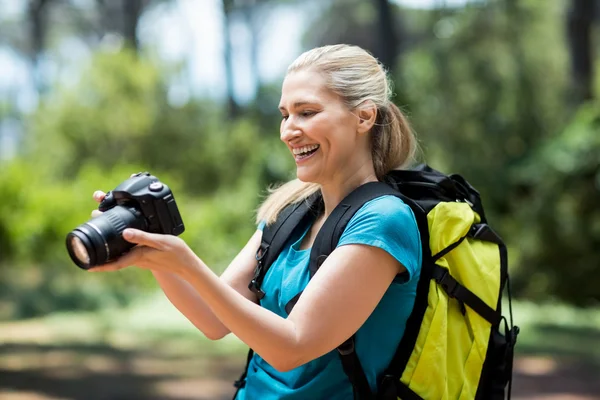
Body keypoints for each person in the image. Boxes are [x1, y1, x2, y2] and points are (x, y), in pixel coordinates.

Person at [89, 44, 422, 399]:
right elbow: (212, 320)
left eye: (306, 112)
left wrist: (186, 262)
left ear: (364, 117)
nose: (288, 131)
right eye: (285, 115)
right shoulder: (291, 211)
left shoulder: (383, 220)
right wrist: (151, 249)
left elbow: (291, 347)